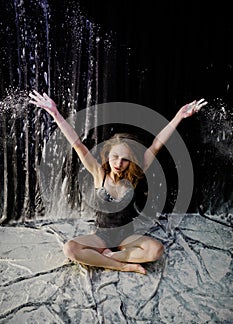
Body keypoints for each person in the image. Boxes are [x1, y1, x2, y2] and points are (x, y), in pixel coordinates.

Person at [29, 91, 207, 274]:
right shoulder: (99, 173)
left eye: (125, 159)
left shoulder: (134, 175)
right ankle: (122, 265)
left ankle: (111, 257)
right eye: (115, 157)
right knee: (70, 249)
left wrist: (179, 116)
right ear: (107, 155)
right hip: (101, 236)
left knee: (156, 250)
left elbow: (156, 144)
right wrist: (55, 114)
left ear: (131, 161)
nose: (118, 163)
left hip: (126, 237)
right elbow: (77, 145)